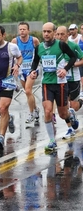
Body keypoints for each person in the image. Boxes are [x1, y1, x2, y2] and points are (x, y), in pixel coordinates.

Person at [29, 22, 77, 152]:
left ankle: (69, 114)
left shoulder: (61, 45)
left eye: (49, 31)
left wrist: (65, 69)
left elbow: (74, 57)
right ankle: (52, 141)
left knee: (62, 114)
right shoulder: (39, 47)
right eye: (44, 31)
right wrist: (33, 71)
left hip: (60, 84)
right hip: (47, 83)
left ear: (54, 33)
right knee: (48, 111)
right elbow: (35, 61)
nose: (46, 34)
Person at [55, 26, 83, 139]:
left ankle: (81, 98)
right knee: (64, 106)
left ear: (67, 34)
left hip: (73, 79)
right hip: (61, 80)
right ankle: (70, 128)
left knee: (74, 106)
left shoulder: (74, 46)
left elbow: (82, 59)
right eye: (58, 34)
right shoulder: (55, 47)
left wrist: (72, 64)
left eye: (62, 34)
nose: (60, 36)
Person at [11, 22, 41, 126]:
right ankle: (36, 109)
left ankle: (31, 113)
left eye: (24, 29)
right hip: (21, 69)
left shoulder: (34, 40)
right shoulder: (15, 41)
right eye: (20, 29)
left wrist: (38, 65)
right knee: (28, 93)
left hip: (32, 68)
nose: (22, 31)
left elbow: (40, 52)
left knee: (28, 90)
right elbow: (12, 55)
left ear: (28, 30)